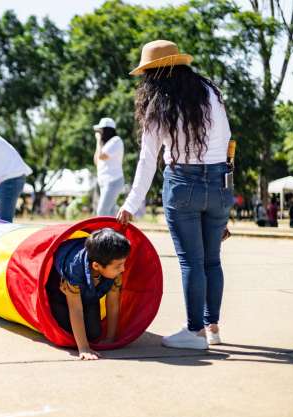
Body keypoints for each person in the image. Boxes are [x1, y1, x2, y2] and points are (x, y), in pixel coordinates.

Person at [116, 40, 232, 350]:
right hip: (220, 182)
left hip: (183, 182)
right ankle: (213, 327)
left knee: (191, 263)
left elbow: (147, 158)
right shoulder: (211, 93)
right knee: (212, 261)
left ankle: (194, 332)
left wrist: (131, 203)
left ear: (154, 74)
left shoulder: (159, 105)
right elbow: (227, 140)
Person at [48, 228, 130, 360]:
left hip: (90, 294)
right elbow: (75, 309)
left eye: (123, 263)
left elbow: (113, 303)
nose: (123, 269)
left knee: (94, 334)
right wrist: (84, 348)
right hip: (60, 293)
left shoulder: (114, 270)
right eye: (118, 266)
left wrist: (110, 338)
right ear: (96, 266)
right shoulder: (74, 268)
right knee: (66, 331)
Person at [93, 118, 125, 216]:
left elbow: (101, 156)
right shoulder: (105, 145)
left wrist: (98, 140)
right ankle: (114, 231)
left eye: (100, 130)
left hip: (112, 182)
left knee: (102, 211)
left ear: (106, 130)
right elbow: (96, 161)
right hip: (104, 182)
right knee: (110, 213)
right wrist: (98, 143)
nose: (99, 133)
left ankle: (104, 231)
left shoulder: (116, 140)